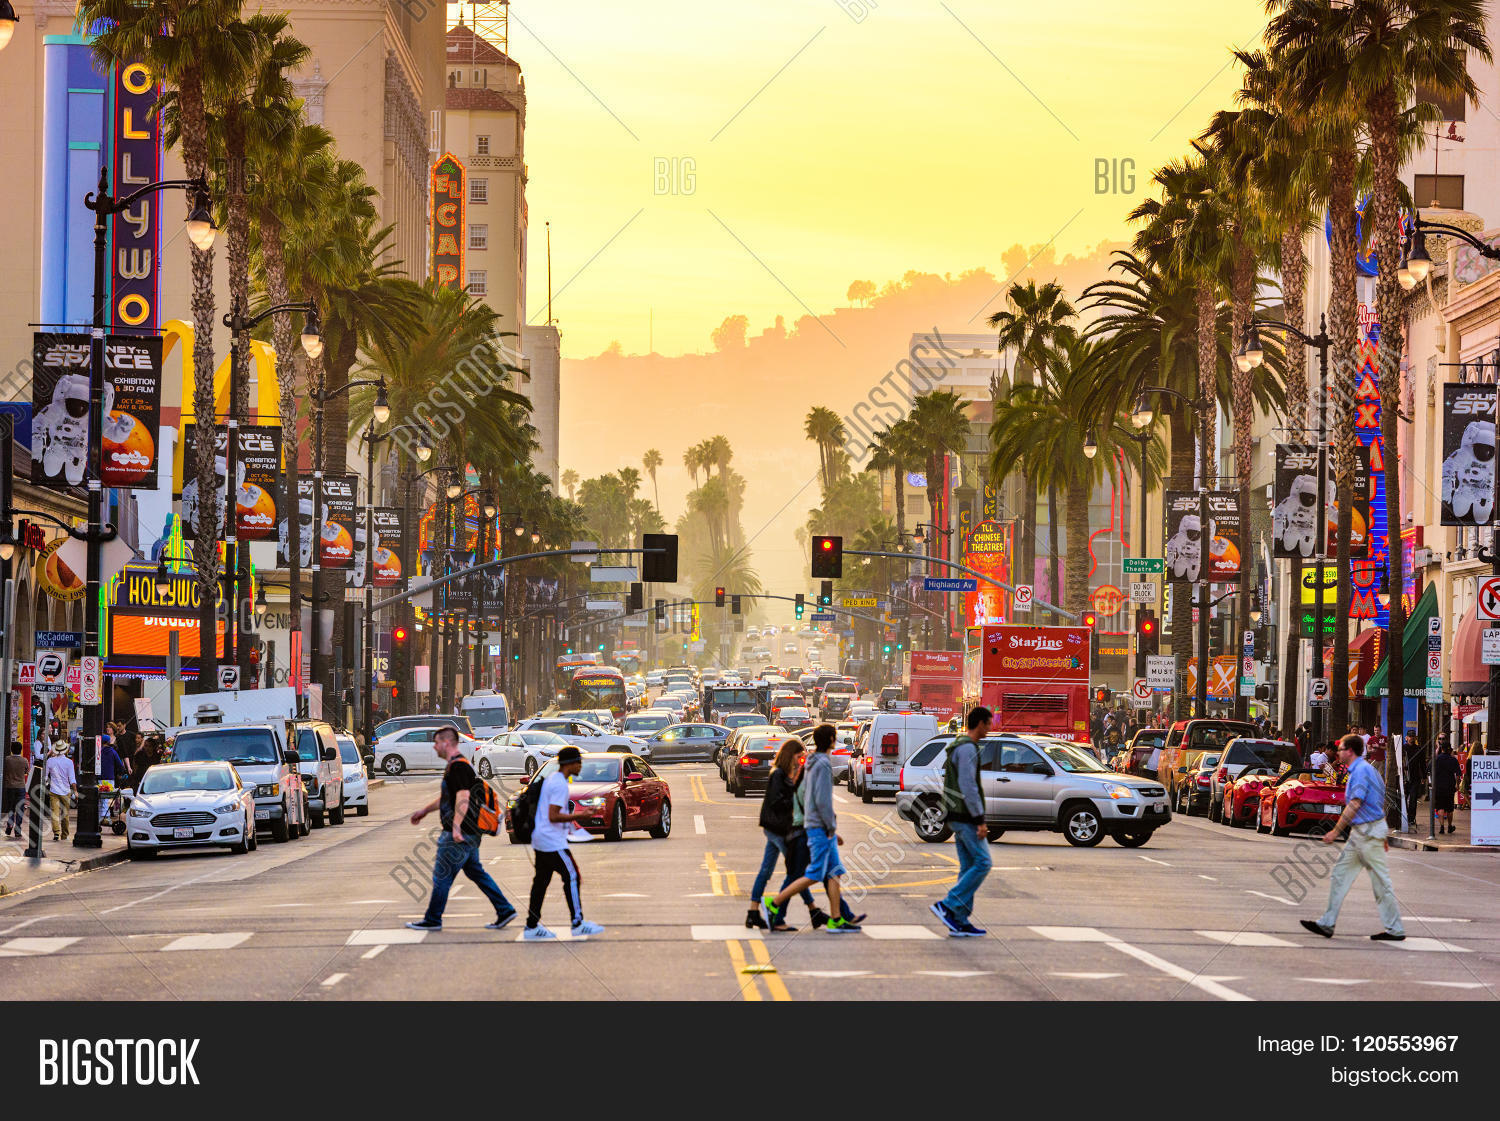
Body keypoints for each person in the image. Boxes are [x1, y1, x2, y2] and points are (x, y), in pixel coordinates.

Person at [405, 726, 516, 932]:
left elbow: (463, 798)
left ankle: (433, 919)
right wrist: (424, 811)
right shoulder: (457, 766)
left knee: (442, 876)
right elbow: (448, 797)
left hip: (459, 833)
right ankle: (505, 909)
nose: (434, 746)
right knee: (476, 873)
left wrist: (455, 828)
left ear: (446, 743)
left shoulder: (458, 767)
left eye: (436, 742)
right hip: (470, 832)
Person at [1300, 734, 1405, 942]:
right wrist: (1382, 832)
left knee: (1380, 882)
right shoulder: (1368, 770)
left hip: (1366, 833)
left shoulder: (1360, 771)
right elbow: (1377, 801)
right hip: (1364, 832)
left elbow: (1355, 803)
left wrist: (1335, 831)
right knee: (1341, 874)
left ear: (1350, 751)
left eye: (1340, 749)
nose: (1338, 753)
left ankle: (1395, 929)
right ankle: (1327, 922)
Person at [762, 723, 860, 932]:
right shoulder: (823, 764)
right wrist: (830, 826)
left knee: (834, 872)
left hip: (816, 826)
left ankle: (836, 918)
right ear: (831, 740)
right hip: (819, 827)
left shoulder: (812, 762)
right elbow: (822, 800)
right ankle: (775, 903)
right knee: (814, 874)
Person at [524, 745, 605, 940]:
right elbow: (553, 815)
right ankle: (577, 923)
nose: (581, 766)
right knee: (572, 876)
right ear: (570, 764)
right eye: (579, 762)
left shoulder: (553, 778)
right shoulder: (559, 784)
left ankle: (531, 926)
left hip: (541, 838)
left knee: (541, 882)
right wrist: (581, 815)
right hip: (552, 841)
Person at [932, 706, 994, 937]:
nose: (990, 728)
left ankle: (959, 920)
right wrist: (979, 819)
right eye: (989, 724)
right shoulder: (967, 749)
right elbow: (968, 786)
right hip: (965, 815)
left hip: (956, 814)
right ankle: (948, 904)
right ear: (980, 724)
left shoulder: (960, 745)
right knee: (984, 862)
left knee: (968, 866)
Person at [746, 739, 817, 931]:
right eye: (798, 756)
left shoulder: (786, 773)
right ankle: (809, 910)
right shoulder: (778, 774)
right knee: (796, 872)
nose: (799, 760)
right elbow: (777, 801)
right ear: (789, 755)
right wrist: (795, 799)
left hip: (775, 827)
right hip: (778, 828)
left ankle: (753, 912)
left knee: (767, 870)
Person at [43, 741, 76, 841]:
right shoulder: (69, 762)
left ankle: (56, 833)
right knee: (65, 815)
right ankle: (64, 835)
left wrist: (45, 784)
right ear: (65, 750)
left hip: (54, 790)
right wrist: (75, 791)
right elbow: (72, 779)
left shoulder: (50, 761)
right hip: (66, 791)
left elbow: (45, 777)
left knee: (55, 813)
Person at [1433, 741, 1461, 835]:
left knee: (1440, 807)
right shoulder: (1453, 760)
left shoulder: (1437, 759)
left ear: (1442, 749)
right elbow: (1458, 774)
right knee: (1449, 808)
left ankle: (1442, 827)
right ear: (1449, 749)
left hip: (1439, 786)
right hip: (1449, 786)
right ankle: (1449, 826)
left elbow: (1430, 771)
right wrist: (1457, 785)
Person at [3, 742, 27, 837]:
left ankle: (9, 825)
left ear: (11, 749)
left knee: (11, 807)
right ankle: (17, 829)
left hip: (10, 786)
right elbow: (26, 771)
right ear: (21, 750)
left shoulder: (7, 759)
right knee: (20, 809)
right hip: (21, 787)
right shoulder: (24, 760)